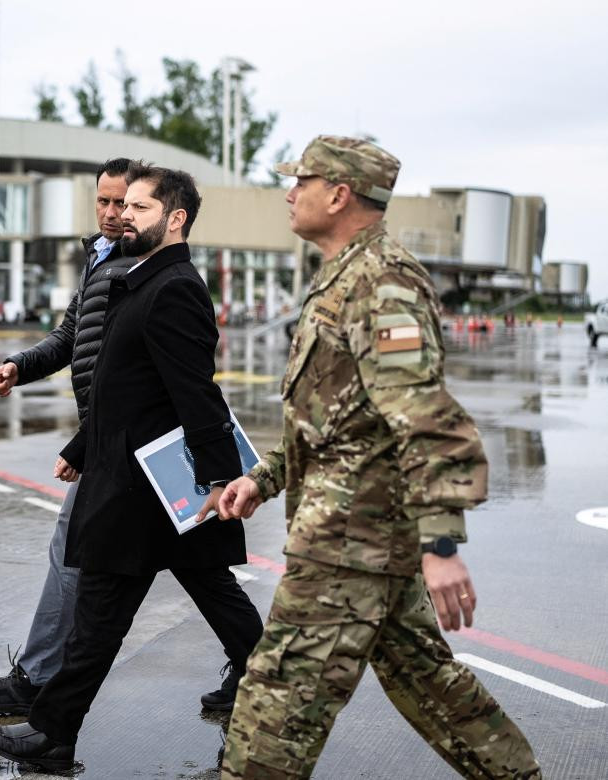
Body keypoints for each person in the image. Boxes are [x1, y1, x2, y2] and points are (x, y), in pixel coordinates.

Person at [210, 136, 541, 779]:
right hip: (360, 538)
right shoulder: (343, 275)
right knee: (431, 686)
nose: (288, 191)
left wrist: (441, 548)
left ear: (338, 194)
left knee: (273, 711)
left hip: (348, 546)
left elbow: (427, 418)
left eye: (300, 180)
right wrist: (264, 478)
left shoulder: (382, 284)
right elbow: (338, 419)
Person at [0, 164, 263, 772]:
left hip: (151, 486)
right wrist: (81, 449)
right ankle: (267, 684)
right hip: (135, 476)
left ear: (175, 218)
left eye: (138, 208)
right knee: (185, 597)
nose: (122, 216)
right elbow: (126, 386)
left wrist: (217, 481)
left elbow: (195, 394)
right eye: (121, 205)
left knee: (103, 616)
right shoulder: (136, 278)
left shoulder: (174, 286)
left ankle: (52, 731)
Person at [0, 158, 145, 717]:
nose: (113, 215)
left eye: (124, 204)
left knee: (72, 554)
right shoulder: (100, 258)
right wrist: (21, 364)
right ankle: (249, 663)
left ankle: (40, 685)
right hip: (111, 438)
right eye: (104, 203)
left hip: (121, 441)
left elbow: (126, 371)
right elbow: (72, 336)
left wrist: (83, 443)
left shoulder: (142, 266)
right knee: (203, 573)